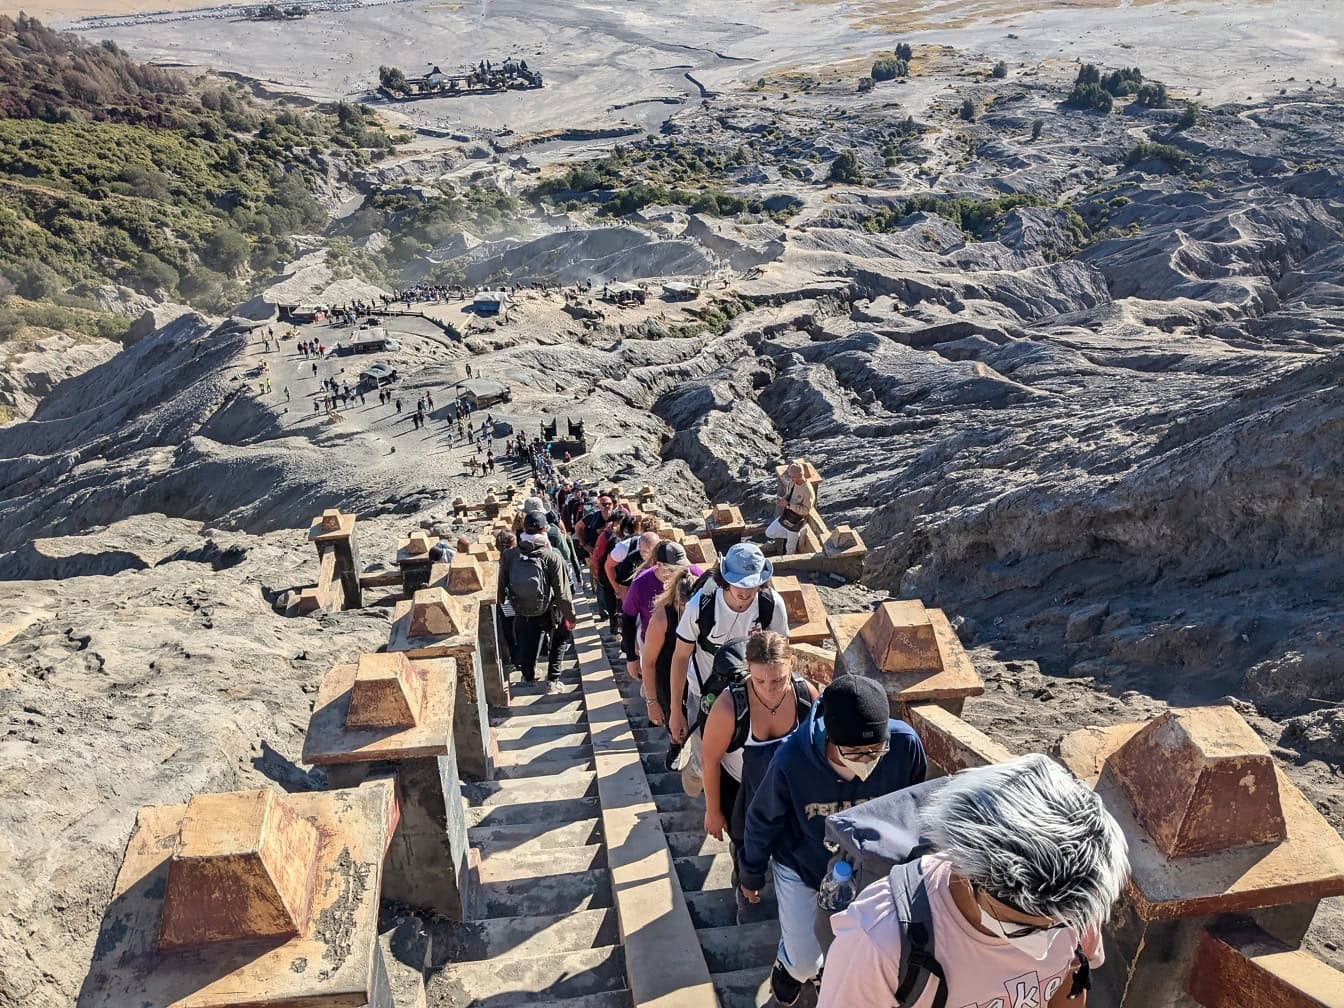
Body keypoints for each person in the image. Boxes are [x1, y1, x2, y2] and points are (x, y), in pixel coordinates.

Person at [818, 755, 1128, 1008]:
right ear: (966, 873)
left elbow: (1070, 981)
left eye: (1056, 927)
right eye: (1022, 928)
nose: (1044, 945)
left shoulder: (1070, 902)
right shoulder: (877, 941)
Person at [740, 674, 928, 1006]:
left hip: (870, 868)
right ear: (829, 737)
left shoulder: (904, 746)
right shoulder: (791, 760)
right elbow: (763, 818)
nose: (868, 760)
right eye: (855, 752)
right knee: (803, 962)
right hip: (804, 865)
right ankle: (788, 964)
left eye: (876, 749)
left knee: (863, 950)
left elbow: (918, 806)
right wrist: (751, 872)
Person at [700, 631, 816, 888]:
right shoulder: (729, 707)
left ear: (792, 664)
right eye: (759, 680)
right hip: (741, 791)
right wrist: (713, 811)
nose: (769, 689)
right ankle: (746, 888)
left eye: (778, 679)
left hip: (788, 789)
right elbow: (710, 760)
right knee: (745, 847)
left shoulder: (805, 696)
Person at [668, 543, 789, 788]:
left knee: (742, 761)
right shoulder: (701, 606)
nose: (745, 592)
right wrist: (675, 711)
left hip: (751, 693)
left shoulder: (770, 605)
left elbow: (781, 655)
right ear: (725, 578)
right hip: (704, 693)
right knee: (705, 762)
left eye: (751, 585)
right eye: (739, 584)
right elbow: (680, 656)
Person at [498, 511, 575, 683]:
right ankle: (553, 679)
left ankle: (529, 676)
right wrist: (570, 616)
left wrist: (505, 606)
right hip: (551, 610)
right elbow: (563, 593)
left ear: (523, 529)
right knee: (560, 638)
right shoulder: (552, 555)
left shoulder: (510, 555)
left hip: (523, 609)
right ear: (544, 529)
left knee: (527, 643)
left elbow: (501, 586)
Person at [621, 539, 702, 685]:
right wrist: (631, 658)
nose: (682, 572)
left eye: (683, 567)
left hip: (686, 643)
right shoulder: (640, 584)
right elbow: (628, 619)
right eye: (674, 569)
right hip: (655, 647)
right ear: (659, 565)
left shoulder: (693, 573)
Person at [640, 566, 696, 743]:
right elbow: (648, 662)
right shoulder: (662, 618)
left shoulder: (703, 613)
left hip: (696, 674)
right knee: (677, 729)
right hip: (667, 676)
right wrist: (652, 702)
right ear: (677, 601)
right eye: (683, 608)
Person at [767, 463, 815, 556]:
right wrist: (782, 500)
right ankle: (795, 536)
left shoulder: (807, 491)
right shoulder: (792, 483)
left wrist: (788, 505)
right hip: (787, 516)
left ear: (800, 475)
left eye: (793, 477)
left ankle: (794, 537)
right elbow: (788, 495)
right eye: (791, 476)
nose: (791, 479)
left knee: (790, 550)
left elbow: (806, 511)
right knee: (769, 532)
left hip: (796, 520)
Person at [494, 529, 520, 676]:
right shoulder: (515, 557)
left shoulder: (498, 561)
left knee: (509, 631)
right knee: (519, 629)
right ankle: (522, 659)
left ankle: (515, 659)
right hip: (515, 599)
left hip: (504, 602)